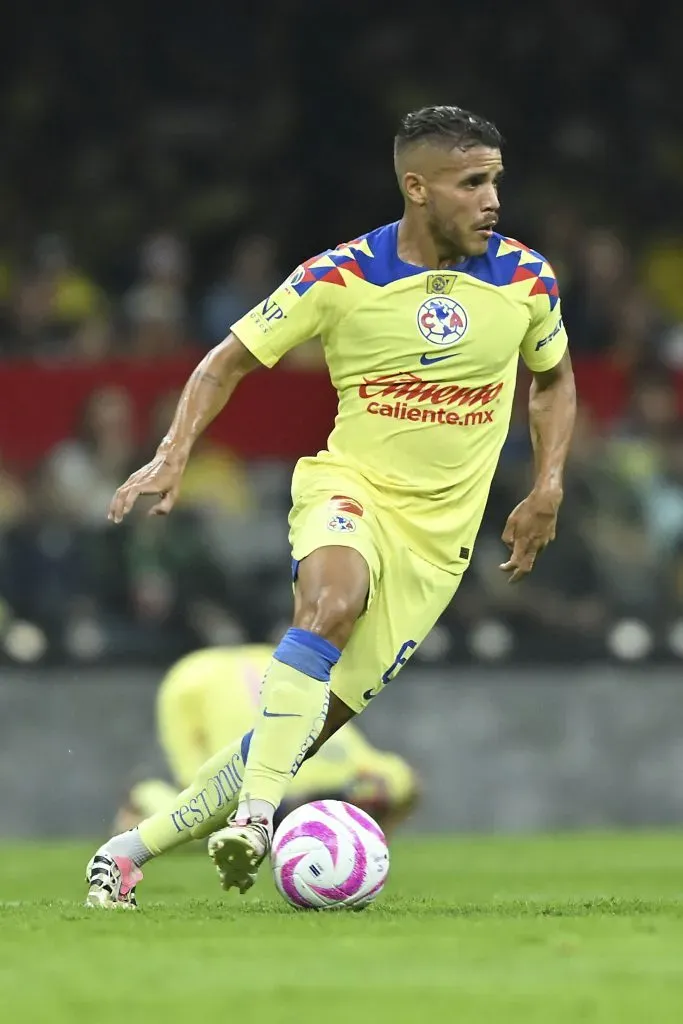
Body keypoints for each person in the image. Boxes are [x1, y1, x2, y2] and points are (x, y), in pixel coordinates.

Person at [85, 105, 575, 908]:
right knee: (329, 603)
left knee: (291, 735)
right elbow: (224, 361)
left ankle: (127, 852)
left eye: (495, 180)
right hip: (347, 489)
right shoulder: (339, 276)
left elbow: (552, 380)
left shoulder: (526, 279)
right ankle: (252, 821)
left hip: (436, 542)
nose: (492, 200)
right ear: (417, 188)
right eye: (471, 183)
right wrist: (174, 454)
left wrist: (547, 484)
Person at [115, 644, 418, 839]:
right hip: (334, 789)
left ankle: (143, 798)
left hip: (267, 793)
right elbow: (398, 778)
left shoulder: (187, 676)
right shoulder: (297, 656)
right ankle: (144, 798)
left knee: (199, 821)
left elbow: (192, 782)